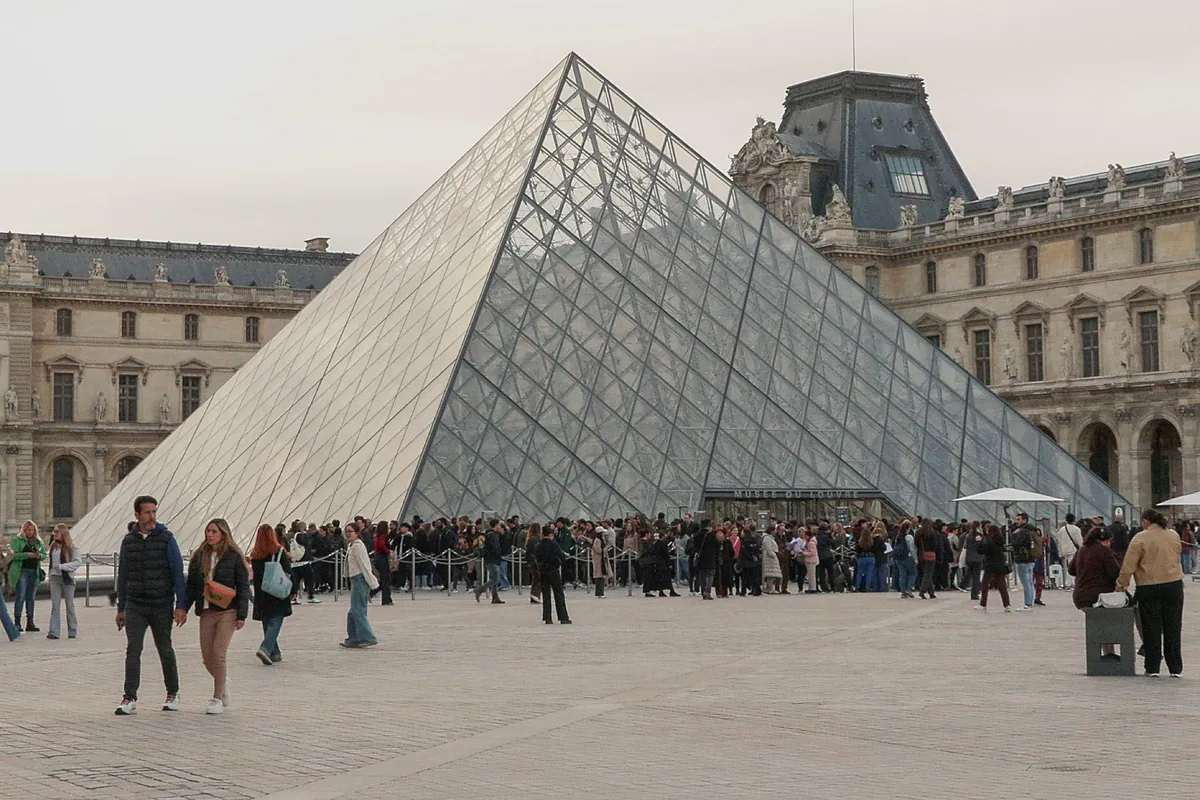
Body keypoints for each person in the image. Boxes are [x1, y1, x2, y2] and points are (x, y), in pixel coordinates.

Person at [115, 496, 189, 716]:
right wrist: (121, 608)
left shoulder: (166, 538)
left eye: (154, 512)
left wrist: (180, 605)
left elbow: (177, 573)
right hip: (136, 604)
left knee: (164, 648)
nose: (152, 517)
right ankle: (129, 698)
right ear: (137, 515)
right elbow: (123, 575)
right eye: (147, 513)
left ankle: (172, 692)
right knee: (133, 650)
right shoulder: (129, 541)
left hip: (161, 603)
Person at [186, 519, 250, 714]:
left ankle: (216, 697)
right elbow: (192, 586)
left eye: (214, 531)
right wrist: (182, 608)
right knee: (207, 658)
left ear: (223, 533)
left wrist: (242, 614)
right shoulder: (199, 557)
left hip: (227, 611)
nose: (210, 534)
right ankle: (223, 683)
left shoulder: (234, 557)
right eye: (207, 531)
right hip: (206, 610)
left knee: (218, 653)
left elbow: (243, 586)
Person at [1117, 508, 1185, 677]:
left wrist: (1121, 585)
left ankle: (1153, 666)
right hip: (1173, 584)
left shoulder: (1140, 538)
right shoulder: (1173, 535)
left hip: (1149, 586)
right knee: (1173, 626)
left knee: (1151, 627)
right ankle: (1175, 667)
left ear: (1145, 522)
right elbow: (1177, 554)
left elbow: (1129, 566)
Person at [1067, 525, 1121, 660]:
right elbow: (1115, 573)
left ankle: (1108, 652)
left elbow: (1071, 570)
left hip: (1080, 596)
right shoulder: (1105, 551)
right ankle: (1110, 652)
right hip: (1100, 597)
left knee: (1101, 620)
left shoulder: (1082, 550)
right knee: (1131, 609)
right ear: (1107, 541)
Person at [249, 523, 293, 664]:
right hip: (277, 591)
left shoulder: (255, 555)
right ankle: (266, 648)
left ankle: (275, 653)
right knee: (275, 622)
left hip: (262, 593)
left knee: (267, 622)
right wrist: (293, 590)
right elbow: (288, 572)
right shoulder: (279, 552)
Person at [341, 523, 379, 648]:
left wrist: (372, 584)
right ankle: (354, 638)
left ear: (357, 533)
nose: (347, 534)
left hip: (360, 579)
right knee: (354, 611)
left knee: (358, 610)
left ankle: (367, 637)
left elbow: (365, 566)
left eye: (350, 531)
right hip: (355, 579)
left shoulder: (358, 547)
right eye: (346, 531)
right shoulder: (352, 546)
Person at [9, 520, 47, 632]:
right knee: (20, 596)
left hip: (33, 571)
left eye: (32, 530)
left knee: (31, 598)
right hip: (22, 571)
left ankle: (30, 622)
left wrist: (39, 556)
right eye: (28, 530)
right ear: (24, 530)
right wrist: (27, 555)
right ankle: (17, 622)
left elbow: (44, 555)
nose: (30, 532)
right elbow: (13, 556)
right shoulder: (17, 541)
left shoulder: (38, 542)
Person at [46, 523, 82, 640]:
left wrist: (63, 566)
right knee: (55, 606)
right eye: (54, 531)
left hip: (67, 578)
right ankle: (54, 631)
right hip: (55, 578)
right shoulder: (53, 546)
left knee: (69, 605)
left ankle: (72, 630)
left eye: (57, 532)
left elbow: (77, 562)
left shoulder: (72, 547)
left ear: (63, 533)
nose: (54, 534)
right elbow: (51, 565)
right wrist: (50, 578)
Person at [534, 525, 571, 624]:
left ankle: (547, 618)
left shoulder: (538, 545)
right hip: (553, 571)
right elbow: (562, 556)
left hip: (542, 571)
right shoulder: (553, 545)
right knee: (558, 594)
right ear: (550, 535)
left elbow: (536, 558)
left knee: (546, 595)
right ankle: (563, 617)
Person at [975, 524, 1012, 612]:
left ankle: (983, 604)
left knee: (985, 585)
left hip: (990, 566)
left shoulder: (989, 541)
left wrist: (978, 542)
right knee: (1002, 586)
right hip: (1000, 566)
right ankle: (1007, 605)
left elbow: (981, 551)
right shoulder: (1000, 541)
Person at [1011, 512, 1039, 611]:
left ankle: (1027, 604)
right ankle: (1030, 602)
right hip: (1031, 558)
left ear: (1024, 520)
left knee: (1026, 583)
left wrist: (1013, 535)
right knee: (1030, 582)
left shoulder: (1022, 531)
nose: (1016, 521)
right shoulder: (1032, 529)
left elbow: (1016, 544)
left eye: (1018, 519)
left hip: (1022, 559)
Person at [474, 519, 505, 605]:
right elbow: (495, 548)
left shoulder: (489, 534)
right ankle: (479, 590)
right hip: (492, 559)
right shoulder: (493, 535)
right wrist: (499, 555)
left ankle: (495, 597)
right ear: (496, 525)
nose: (500, 527)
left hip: (490, 559)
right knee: (495, 579)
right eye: (499, 525)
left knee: (494, 578)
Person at [1055, 513, 1082, 589]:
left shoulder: (1061, 530)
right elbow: (1079, 541)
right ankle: (1072, 583)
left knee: (1065, 567)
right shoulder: (1076, 529)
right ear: (1073, 520)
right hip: (1073, 550)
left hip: (1064, 550)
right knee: (1073, 567)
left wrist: (1060, 552)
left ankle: (1066, 582)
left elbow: (1059, 542)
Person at [915, 519, 937, 599]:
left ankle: (931, 592)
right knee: (928, 573)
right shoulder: (931, 532)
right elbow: (934, 544)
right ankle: (922, 591)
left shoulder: (918, 532)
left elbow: (916, 543)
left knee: (927, 573)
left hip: (921, 554)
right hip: (930, 554)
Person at [591, 527, 610, 598]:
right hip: (599, 560)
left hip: (601, 560)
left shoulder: (599, 540)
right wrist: (604, 549)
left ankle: (600, 592)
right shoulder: (598, 540)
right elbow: (598, 550)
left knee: (601, 576)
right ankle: (600, 593)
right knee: (600, 576)